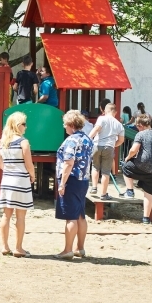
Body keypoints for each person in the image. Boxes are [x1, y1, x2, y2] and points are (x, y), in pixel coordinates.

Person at [55, 110, 93, 259]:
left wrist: (62, 183)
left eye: (65, 124)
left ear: (71, 124)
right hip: (83, 180)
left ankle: (68, 250)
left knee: (71, 216)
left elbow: (68, 162)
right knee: (80, 215)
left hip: (71, 179)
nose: (64, 126)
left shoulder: (71, 140)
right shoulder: (87, 139)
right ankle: (80, 248)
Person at [0, 112, 35, 257]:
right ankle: (18, 248)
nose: (26, 127)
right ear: (18, 125)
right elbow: (29, 163)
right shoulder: (23, 142)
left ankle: (5, 246)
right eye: (24, 124)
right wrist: (32, 175)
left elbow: (0, 164)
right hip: (21, 180)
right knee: (20, 216)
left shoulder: (3, 142)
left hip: (7, 180)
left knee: (6, 215)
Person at [88, 103, 125, 201]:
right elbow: (121, 140)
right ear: (115, 112)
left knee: (95, 167)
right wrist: (113, 145)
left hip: (97, 145)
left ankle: (94, 187)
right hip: (109, 147)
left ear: (105, 111)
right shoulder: (119, 124)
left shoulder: (101, 118)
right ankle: (103, 194)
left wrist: (88, 138)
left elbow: (96, 129)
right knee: (106, 171)